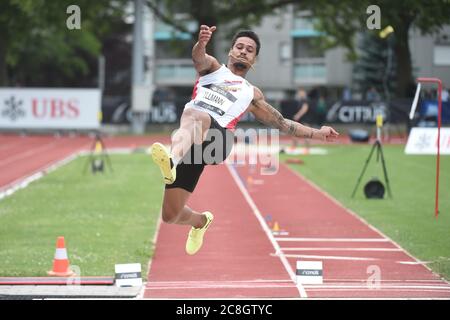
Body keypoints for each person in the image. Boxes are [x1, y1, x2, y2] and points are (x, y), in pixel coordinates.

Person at [151, 25, 339, 255]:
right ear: (230, 51)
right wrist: (201, 43)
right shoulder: (212, 69)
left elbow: (282, 123)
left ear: (254, 59)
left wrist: (317, 133)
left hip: (217, 142)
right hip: (192, 144)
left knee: (195, 114)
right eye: (239, 47)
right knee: (170, 215)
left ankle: (171, 160)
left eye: (249, 50)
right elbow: (198, 57)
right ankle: (201, 222)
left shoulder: (252, 94)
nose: (243, 51)